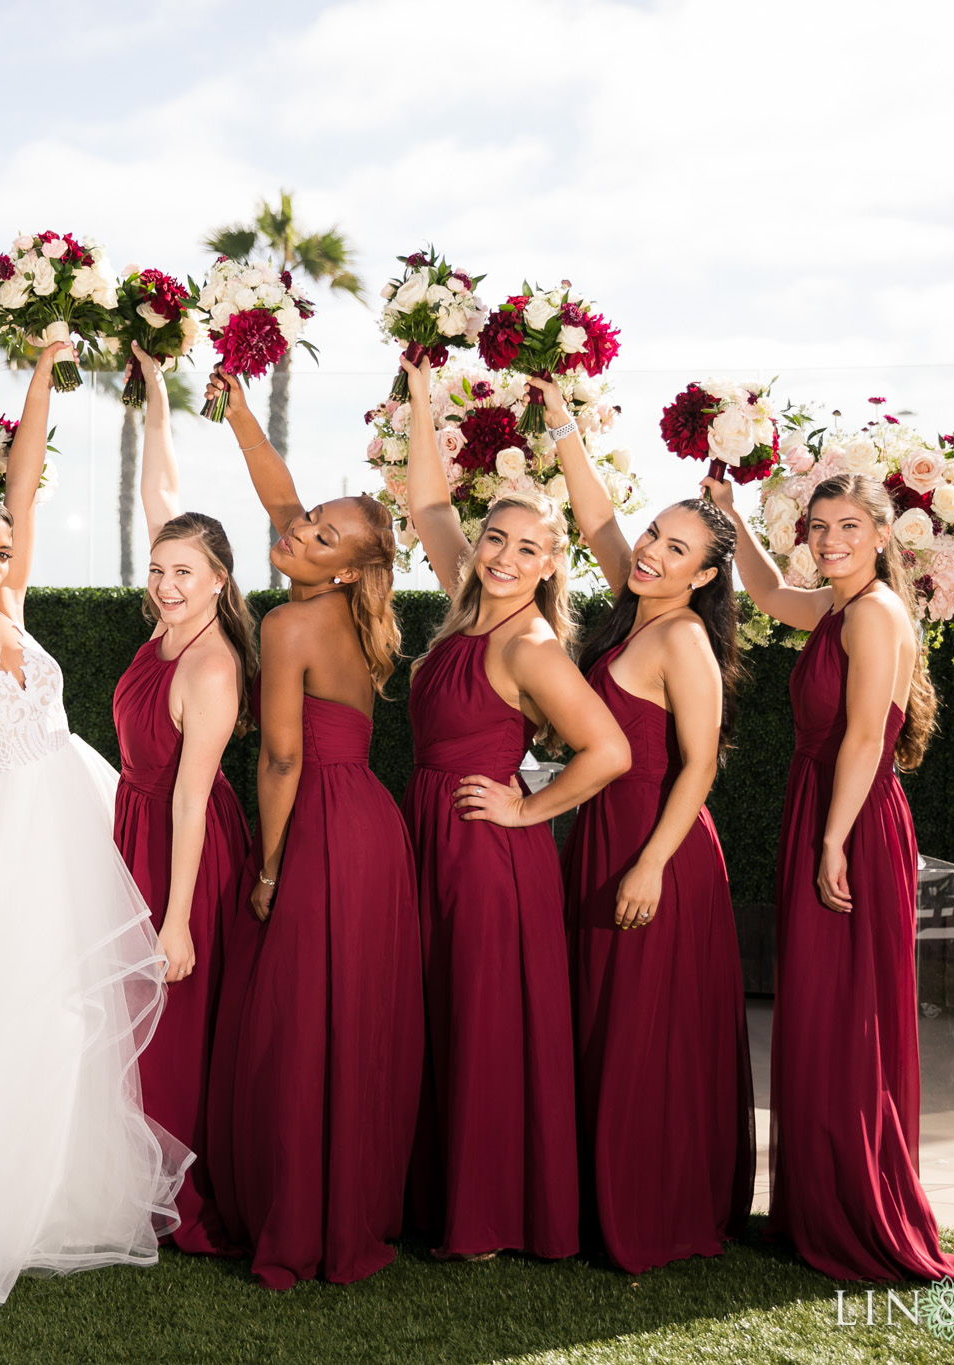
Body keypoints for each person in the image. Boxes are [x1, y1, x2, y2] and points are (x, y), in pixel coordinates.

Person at [0, 341, 188, 1305]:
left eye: (4, 550)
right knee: (5, 1009)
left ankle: (72, 1195)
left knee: (73, 1011)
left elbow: (19, 488)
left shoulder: (10, 602)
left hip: (71, 804)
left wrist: (45, 376)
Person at [708, 468, 954, 1284]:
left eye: (850, 527)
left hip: (849, 818)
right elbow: (767, 587)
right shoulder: (836, 606)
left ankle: (855, 1203)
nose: (831, 541)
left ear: (884, 536)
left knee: (847, 1011)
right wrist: (730, 516)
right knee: (820, 1007)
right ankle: (819, 1199)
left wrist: (832, 841)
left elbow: (864, 739)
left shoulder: (878, 613)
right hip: (823, 808)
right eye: (819, 527)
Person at [396, 360, 630, 1262]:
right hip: (432, 836)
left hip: (487, 851)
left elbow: (608, 749)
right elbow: (428, 509)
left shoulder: (531, 642)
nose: (501, 557)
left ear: (552, 565)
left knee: (484, 1023)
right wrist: (420, 394)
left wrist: (530, 811)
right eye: (496, 539)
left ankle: (491, 1211)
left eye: (527, 549)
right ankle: (441, 1191)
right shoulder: (469, 604)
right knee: (438, 1016)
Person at [199, 363, 422, 1289]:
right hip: (373, 828)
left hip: (321, 830)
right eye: (306, 523)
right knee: (347, 1020)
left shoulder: (292, 627)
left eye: (324, 534)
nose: (298, 532)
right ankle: (347, 1206)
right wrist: (241, 411)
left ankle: (298, 1217)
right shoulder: (339, 603)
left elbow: (281, 759)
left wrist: (268, 863)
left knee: (296, 1022)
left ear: (348, 563)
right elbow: (283, 498)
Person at [531, 376, 754, 1273]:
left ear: (706, 576)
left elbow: (701, 763)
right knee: (604, 1024)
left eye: (677, 548)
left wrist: (651, 865)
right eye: (655, 534)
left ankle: (651, 1205)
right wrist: (561, 425)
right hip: (604, 838)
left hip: (659, 855)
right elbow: (594, 522)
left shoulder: (683, 639)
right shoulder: (635, 611)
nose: (653, 551)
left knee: (644, 1037)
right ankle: (595, 1195)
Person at [110, 342, 255, 1253]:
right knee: (123, 1016)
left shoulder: (211, 664)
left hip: (182, 850)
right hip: (131, 826)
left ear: (219, 582)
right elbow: (157, 489)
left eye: (184, 574)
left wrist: (177, 918)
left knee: (169, 1016)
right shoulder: (166, 624)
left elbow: (194, 801)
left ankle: (175, 1197)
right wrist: (158, 389)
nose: (165, 583)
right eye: (159, 569)